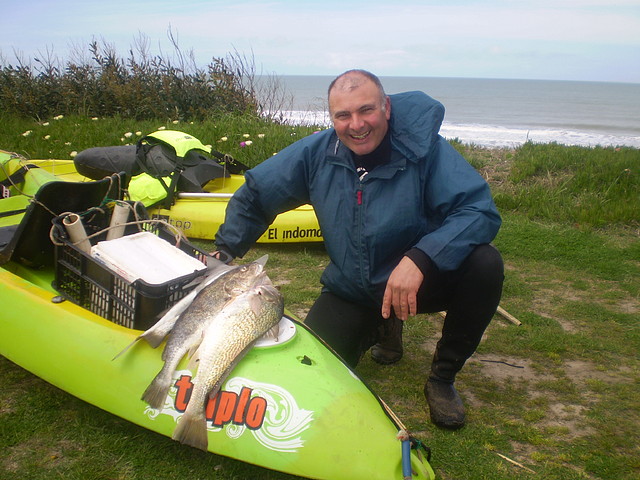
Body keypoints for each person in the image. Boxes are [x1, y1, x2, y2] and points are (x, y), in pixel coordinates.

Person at [214, 70, 504, 430]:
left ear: (386, 107)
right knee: (307, 380)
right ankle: (384, 326)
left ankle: (442, 378)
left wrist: (421, 257)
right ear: (332, 118)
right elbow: (257, 194)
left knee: (485, 264)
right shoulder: (316, 153)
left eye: (366, 110)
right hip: (353, 288)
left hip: (419, 281)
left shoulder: (423, 149)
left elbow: (478, 210)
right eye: (343, 115)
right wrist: (225, 250)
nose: (356, 125)